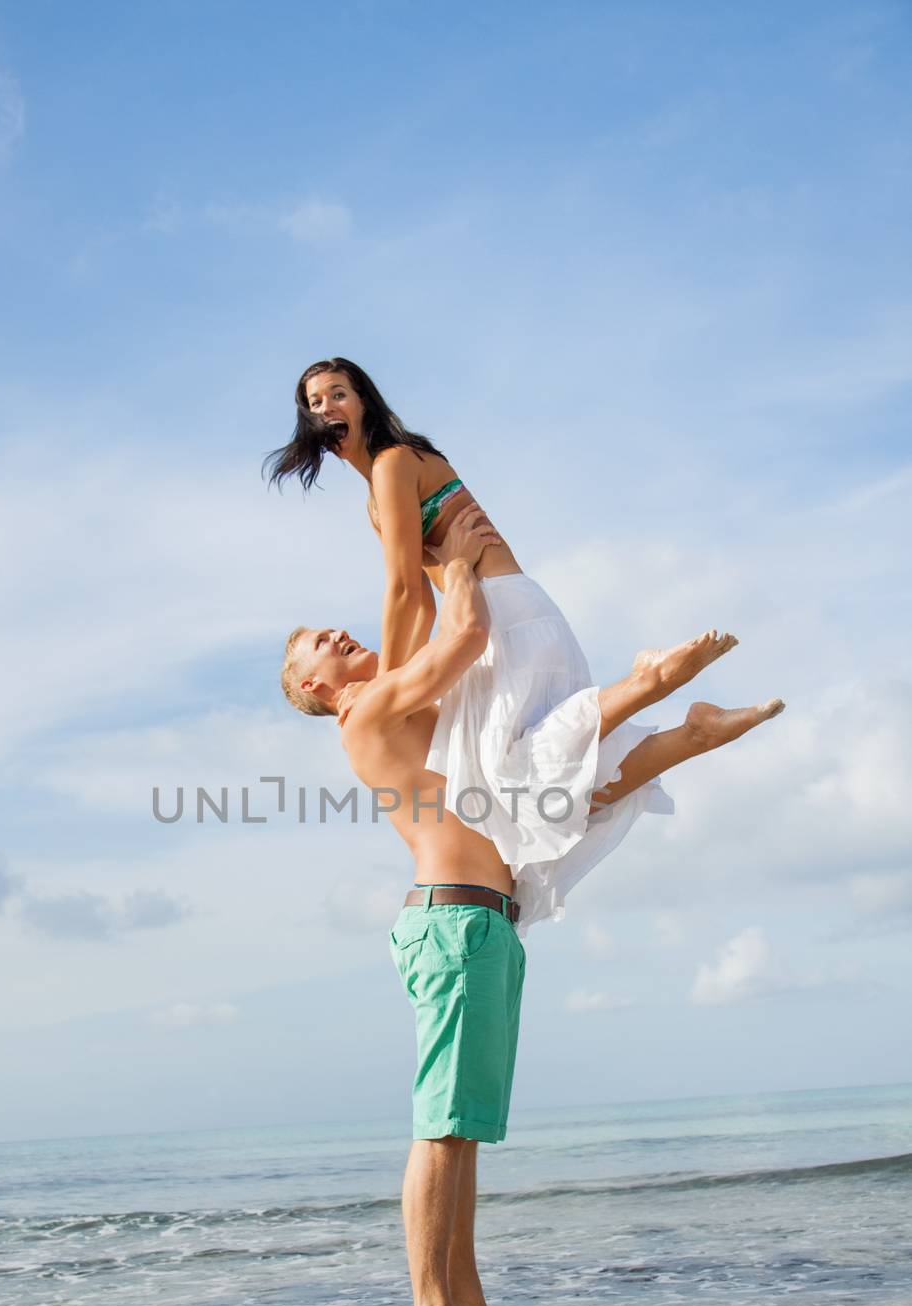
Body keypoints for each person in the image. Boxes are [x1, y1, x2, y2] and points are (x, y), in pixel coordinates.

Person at [281, 506, 783, 1306]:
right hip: (452, 924)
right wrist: (462, 569)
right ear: (315, 692)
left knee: (463, 1130)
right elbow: (464, 636)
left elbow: (459, 670)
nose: (333, 635)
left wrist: (423, 555)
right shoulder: (364, 717)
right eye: (314, 648)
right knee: (440, 1125)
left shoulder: (410, 712)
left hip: (483, 922)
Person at [268, 360, 784, 927]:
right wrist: (400, 690)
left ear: (363, 400)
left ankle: (649, 682)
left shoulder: (392, 465)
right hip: (513, 607)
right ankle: (694, 733)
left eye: (337, 394)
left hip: (499, 613)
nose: (327, 409)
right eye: (314, 403)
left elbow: (404, 590)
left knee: (512, 780)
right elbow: (419, 601)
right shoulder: (380, 490)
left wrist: (394, 689)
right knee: (534, 801)